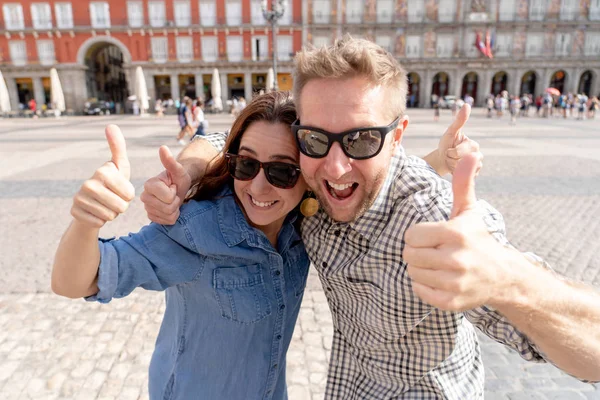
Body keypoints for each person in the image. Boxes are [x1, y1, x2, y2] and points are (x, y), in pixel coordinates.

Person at [141, 37, 600, 398]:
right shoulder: (305, 185)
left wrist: (507, 277)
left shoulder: (434, 220)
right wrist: (192, 167)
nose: (336, 168)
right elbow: (236, 133)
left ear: (397, 136)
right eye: (317, 140)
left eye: (361, 140)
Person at [52, 92, 312, 399]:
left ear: (310, 174)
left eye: (281, 171)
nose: (257, 186)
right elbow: (75, 283)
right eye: (246, 164)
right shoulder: (197, 230)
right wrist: (86, 221)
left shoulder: (305, 227)